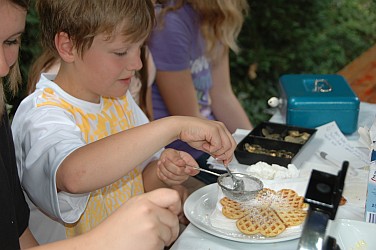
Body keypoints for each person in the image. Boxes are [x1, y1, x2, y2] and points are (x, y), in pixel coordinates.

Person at [11, 0, 236, 244]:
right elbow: (74, 175)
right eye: (121, 52)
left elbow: (140, 178)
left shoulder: (119, 101)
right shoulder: (42, 114)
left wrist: (161, 171)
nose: (137, 64)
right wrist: (174, 126)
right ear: (68, 46)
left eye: (139, 48)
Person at [148, 0, 253, 184]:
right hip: (185, 156)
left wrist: (254, 145)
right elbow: (190, 122)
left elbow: (223, 96)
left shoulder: (213, 18)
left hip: (212, 144)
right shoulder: (170, 24)